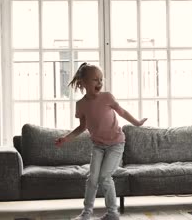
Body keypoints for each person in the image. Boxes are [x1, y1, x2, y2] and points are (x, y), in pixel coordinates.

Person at [55, 63, 147, 220]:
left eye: (101, 79)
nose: (99, 83)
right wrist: (66, 138)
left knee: (105, 177)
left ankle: (112, 213)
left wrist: (137, 122)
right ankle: (86, 213)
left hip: (116, 145)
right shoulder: (81, 105)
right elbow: (82, 127)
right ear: (82, 82)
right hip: (98, 146)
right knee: (92, 178)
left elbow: (122, 112)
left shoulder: (107, 97)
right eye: (95, 80)